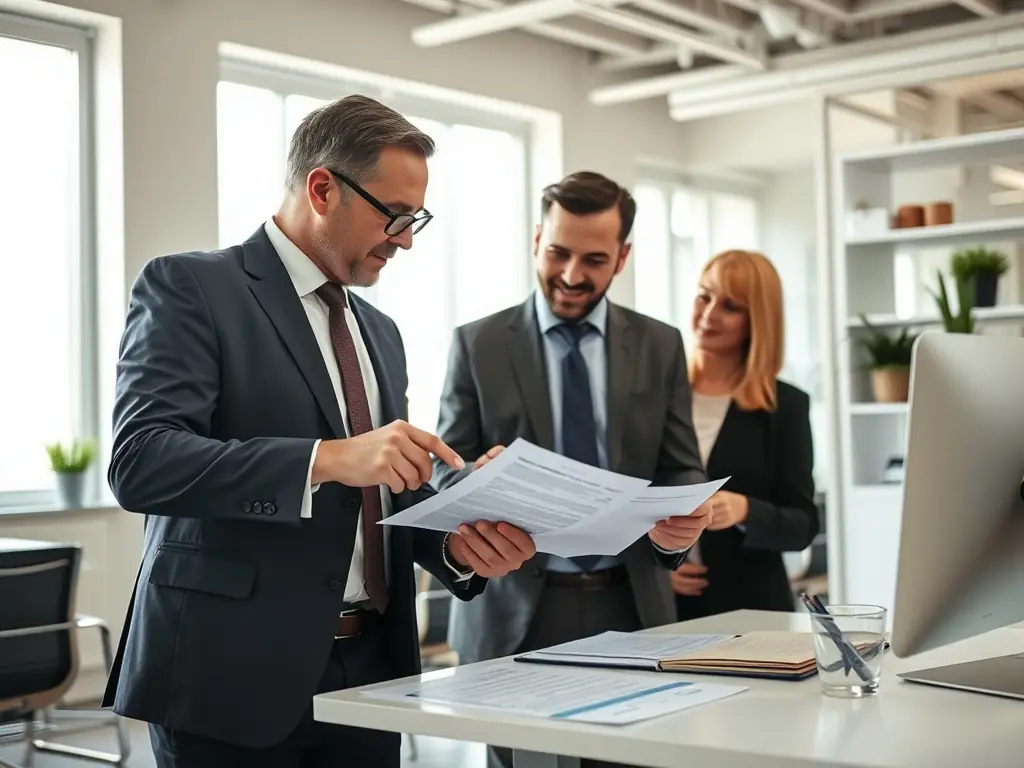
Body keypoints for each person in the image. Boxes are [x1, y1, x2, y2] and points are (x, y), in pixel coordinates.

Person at [102, 94, 536, 768]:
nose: (407, 240)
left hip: (371, 674)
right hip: (228, 675)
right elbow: (142, 463)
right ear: (323, 187)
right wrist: (327, 458)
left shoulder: (380, 335)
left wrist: (461, 539)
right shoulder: (191, 287)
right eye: (394, 216)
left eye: (415, 218)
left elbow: (379, 497)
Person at [433, 171, 710, 768]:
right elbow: (444, 469)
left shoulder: (660, 346)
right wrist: (474, 476)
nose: (571, 274)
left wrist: (685, 514)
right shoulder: (478, 343)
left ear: (623, 258)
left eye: (594, 259)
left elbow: (682, 467)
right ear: (537, 238)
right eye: (558, 251)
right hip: (511, 608)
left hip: (630, 606)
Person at [670, 249, 819, 621]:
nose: (708, 314)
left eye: (730, 306)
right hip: (665, 612)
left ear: (758, 321)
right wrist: (655, 566)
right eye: (704, 296)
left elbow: (802, 526)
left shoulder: (785, 406)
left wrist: (745, 510)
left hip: (753, 611)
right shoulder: (655, 397)